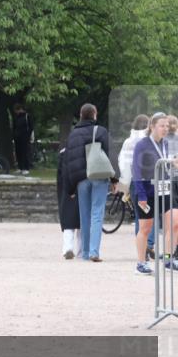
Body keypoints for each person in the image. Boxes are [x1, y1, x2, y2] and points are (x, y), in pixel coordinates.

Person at [63, 103, 117, 262]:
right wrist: (115, 179)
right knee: (97, 214)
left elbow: (68, 163)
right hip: (99, 176)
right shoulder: (100, 131)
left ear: (80, 115)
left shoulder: (72, 135)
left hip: (81, 180)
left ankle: (85, 253)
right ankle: (94, 251)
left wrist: (70, 187)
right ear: (94, 114)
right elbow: (110, 155)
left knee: (84, 216)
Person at [133, 113, 177, 275]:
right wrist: (141, 195)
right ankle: (141, 263)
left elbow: (161, 165)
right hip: (146, 190)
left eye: (167, 126)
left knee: (174, 224)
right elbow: (136, 171)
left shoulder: (165, 144)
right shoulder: (142, 144)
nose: (165, 129)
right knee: (145, 228)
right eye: (162, 126)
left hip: (164, 189)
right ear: (152, 126)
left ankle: (167, 259)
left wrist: (172, 164)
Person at [119, 114, 154, 261]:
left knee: (139, 216)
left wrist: (125, 185)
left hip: (134, 181)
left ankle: (141, 247)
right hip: (150, 181)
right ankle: (149, 245)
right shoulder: (150, 141)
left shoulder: (128, 141)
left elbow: (124, 164)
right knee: (152, 215)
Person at [56, 147, 80, 259]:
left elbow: (60, 176)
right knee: (82, 223)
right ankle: (82, 249)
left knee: (68, 223)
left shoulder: (63, 153)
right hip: (81, 189)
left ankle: (67, 248)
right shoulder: (84, 150)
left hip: (66, 190)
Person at [11, 104, 34, 175]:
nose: (16, 112)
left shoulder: (27, 116)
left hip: (25, 137)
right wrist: (14, 136)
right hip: (17, 138)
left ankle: (26, 168)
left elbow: (31, 127)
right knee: (18, 153)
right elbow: (14, 127)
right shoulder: (16, 117)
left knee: (25, 152)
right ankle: (20, 167)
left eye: (17, 110)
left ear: (21, 109)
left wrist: (28, 136)